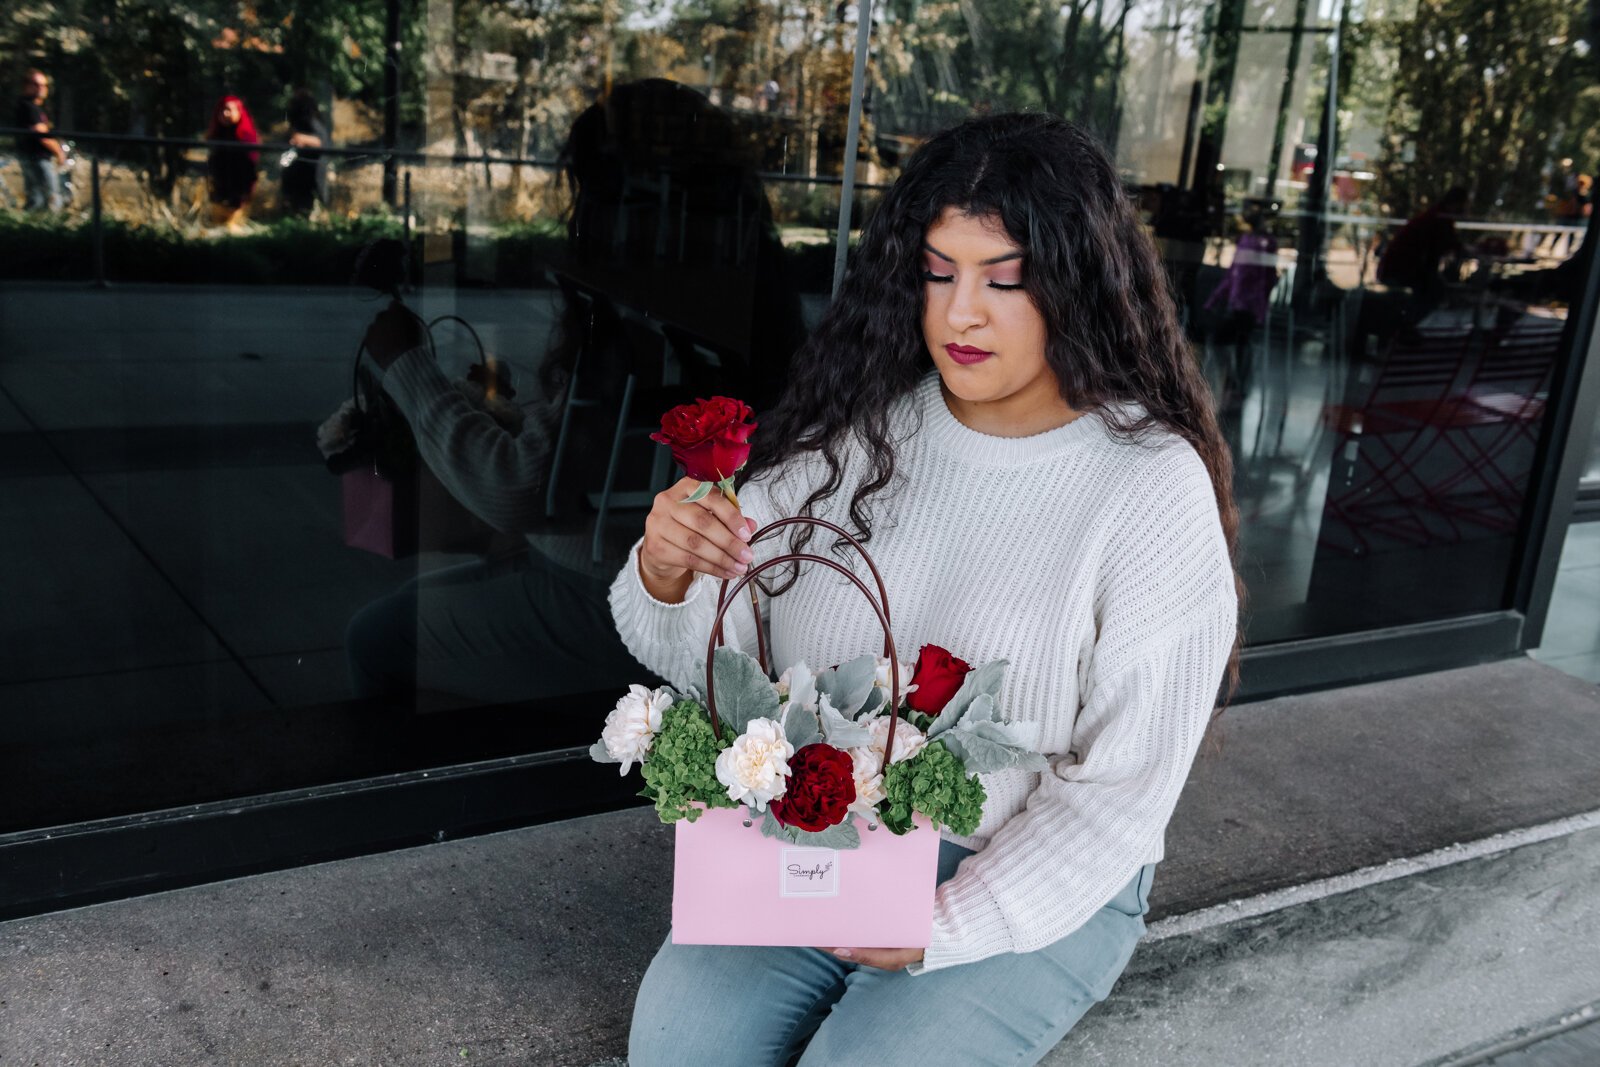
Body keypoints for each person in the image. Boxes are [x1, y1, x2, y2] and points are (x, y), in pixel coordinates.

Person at [614, 113, 1242, 1065]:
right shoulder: (854, 437)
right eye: (940, 272)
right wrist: (668, 573)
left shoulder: (1148, 485)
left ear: (1078, 279)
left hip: (1036, 864)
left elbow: (1122, 794)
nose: (961, 314)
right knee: (678, 1050)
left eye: (1006, 277)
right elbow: (718, 663)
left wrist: (951, 922)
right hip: (820, 844)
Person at [13, 69, 66, 212]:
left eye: (44, 85)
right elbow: (41, 135)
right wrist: (59, 152)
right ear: (27, 85)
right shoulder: (28, 107)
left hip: (34, 157)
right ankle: (49, 230)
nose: (42, 88)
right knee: (51, 198)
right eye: (37, 84)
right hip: (37, 158)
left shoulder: (35, 107)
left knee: (37, 198)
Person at [206, 95, 260, 231]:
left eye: (229, 110)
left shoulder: (247, 136)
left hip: (239, 188)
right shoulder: (216, 134)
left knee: (232, 224)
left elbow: (250, 168)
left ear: (239, 112)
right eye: (222, 110)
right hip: (220, 187)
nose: (225, 113)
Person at [280, 88, 329, 217]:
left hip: (311, 174)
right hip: (299, 173)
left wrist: (300, 139)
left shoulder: (311, 122)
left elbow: (320, 142)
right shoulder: (299, 123)